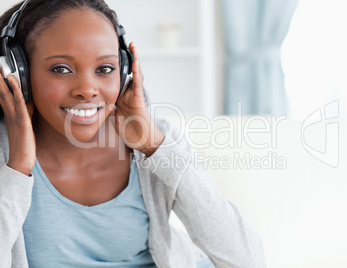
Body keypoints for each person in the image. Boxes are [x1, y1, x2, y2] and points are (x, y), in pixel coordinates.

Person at [0, 0, 265, 267]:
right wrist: (18, 170)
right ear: (17, 72)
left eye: (104, 69)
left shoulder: (154, 140)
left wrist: (154, 147)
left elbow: (246, 259)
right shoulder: (5, 153)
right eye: (61, 69)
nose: (87, 89)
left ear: (125, 72)